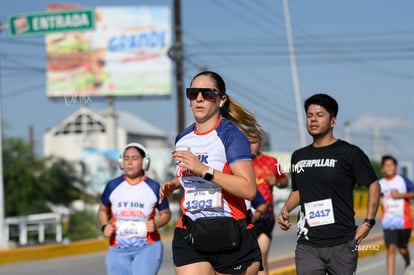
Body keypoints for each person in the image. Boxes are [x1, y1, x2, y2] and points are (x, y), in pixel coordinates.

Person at [159, 70, 262, 275]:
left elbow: (248, 189)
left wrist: (204, 169)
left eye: (207, 93)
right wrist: (175, 182)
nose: (199, 98)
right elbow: (193, 175)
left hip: (231, 232)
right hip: (191, 231)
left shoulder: (231, 136)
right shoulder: (183, 138)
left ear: (221, 99)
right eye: (193, 93)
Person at [277, 93, 381, 275]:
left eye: (319, 115)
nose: (313, 120)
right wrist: (285, 210)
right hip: (307, 243)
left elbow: (373, 184)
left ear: (333, 121)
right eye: (309, 115)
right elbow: (298, 190)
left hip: (342, 242)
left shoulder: (349, 153)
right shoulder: (299, 156)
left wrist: (368, 222)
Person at [97, 142, 172, 275]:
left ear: (144, 162)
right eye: (126, 158)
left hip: (147, 247)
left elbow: (166, 213)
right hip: (118, 248)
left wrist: (156, 223)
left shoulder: (154, 187)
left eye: (135, 158)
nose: (130, 162)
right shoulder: (112, 186)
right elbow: (102, 210)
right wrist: (104, 226)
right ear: (121, 162)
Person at [247, 128, 288, 275]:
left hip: (266, 216)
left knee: (261, 255)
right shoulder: (238, 164)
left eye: (253, 142)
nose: (250, 145)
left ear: (261, 143)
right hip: (244, 216)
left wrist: (276, 181)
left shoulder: (271, 162)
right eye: (247, 142)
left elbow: (284, 181)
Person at [379, 155, 414, 275]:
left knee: (403, 249)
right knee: (391, 249)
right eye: (386, 165)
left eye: (391, 165)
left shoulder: (402, 180)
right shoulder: (380, 184)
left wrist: (400, 195)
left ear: (396, 167)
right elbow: (376, 198)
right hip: (388, 222)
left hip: (404, 221)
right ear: (382, 169)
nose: (389, 167)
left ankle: (409, 263)